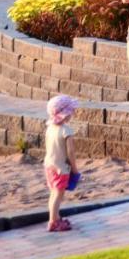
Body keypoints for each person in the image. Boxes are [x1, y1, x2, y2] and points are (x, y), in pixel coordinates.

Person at [44, 94, 79, 233]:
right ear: (65, 114)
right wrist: (75, 170)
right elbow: (71, 153)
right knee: (58, 195)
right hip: (61, 168)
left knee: (53, 193)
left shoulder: (50, 128)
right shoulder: (67, 131)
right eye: (71, 112)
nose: (72, 114)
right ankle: (53, 222)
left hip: (49, 166)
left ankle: (56, 218)